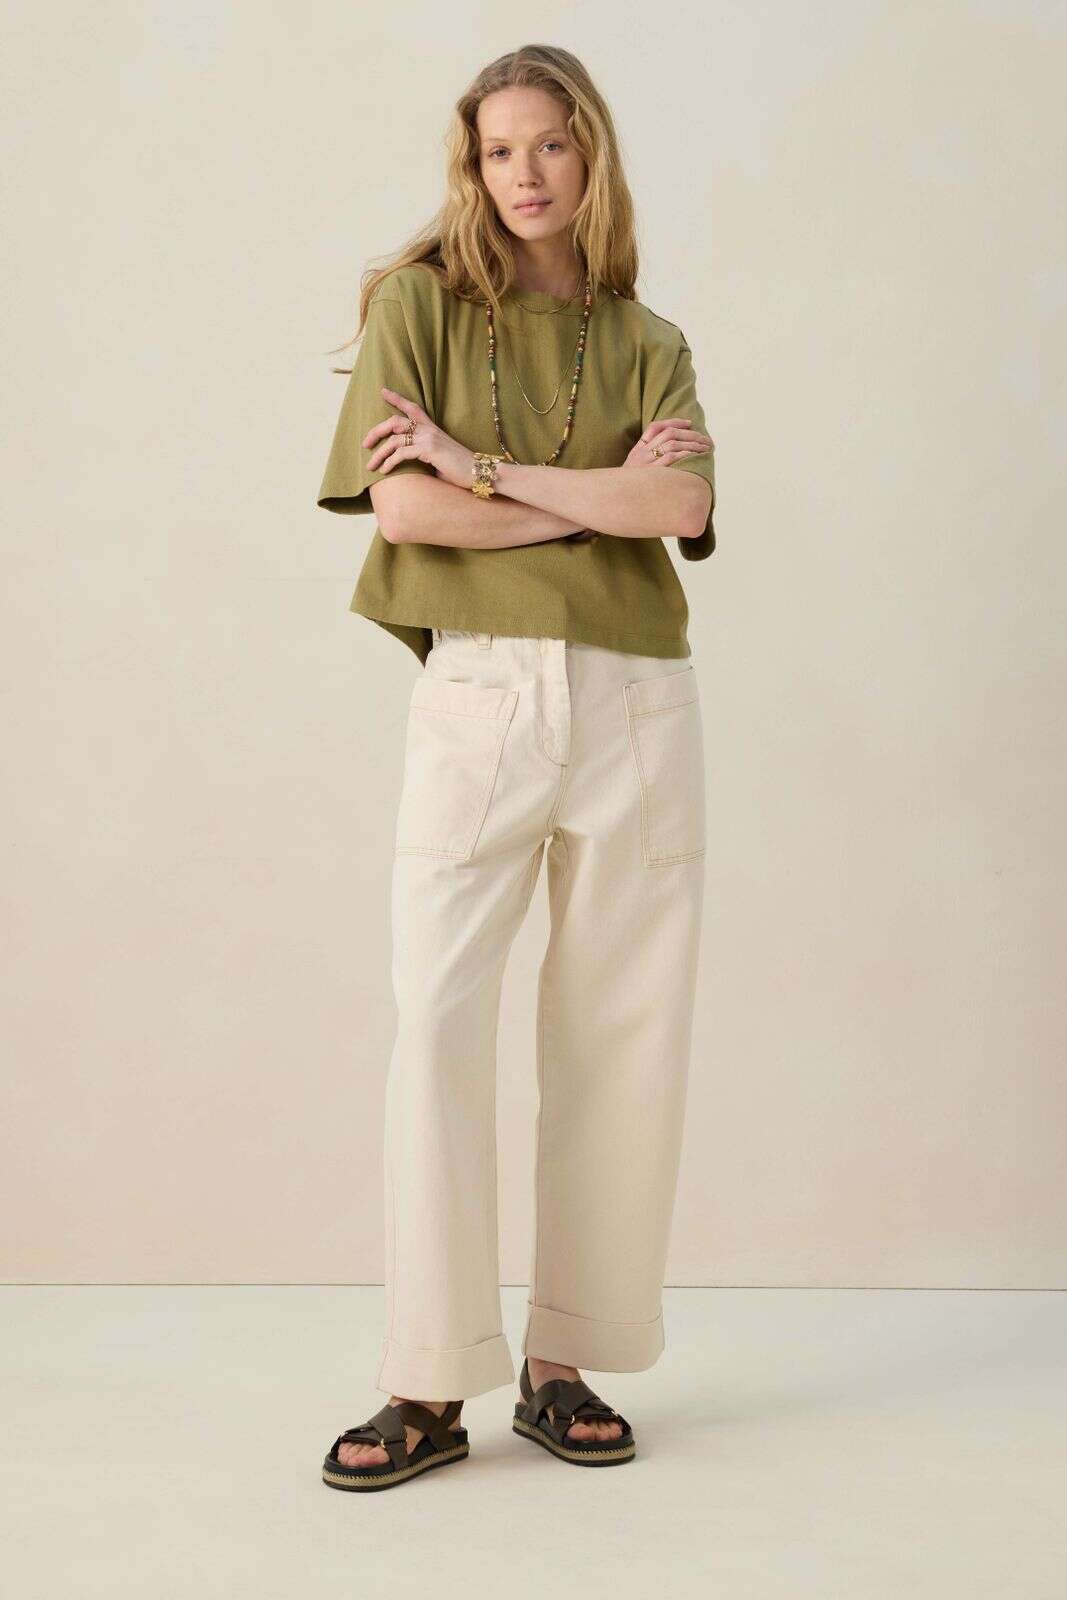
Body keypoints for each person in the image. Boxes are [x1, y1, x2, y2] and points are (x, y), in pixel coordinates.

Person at [317, 43, 717, 1492]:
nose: (525, 173)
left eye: (550, 144)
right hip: (480, 692)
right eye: (498, 150)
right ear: (471, 167)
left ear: (589, 153)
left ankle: (567, 1359)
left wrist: (486, 472)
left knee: (622, 1029)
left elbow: (680, 504)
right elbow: (404, 512)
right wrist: (598, 500)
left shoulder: (650, 336)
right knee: (436, 1019)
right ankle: (426, 1380)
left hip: (635, 697)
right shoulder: (419, 309)